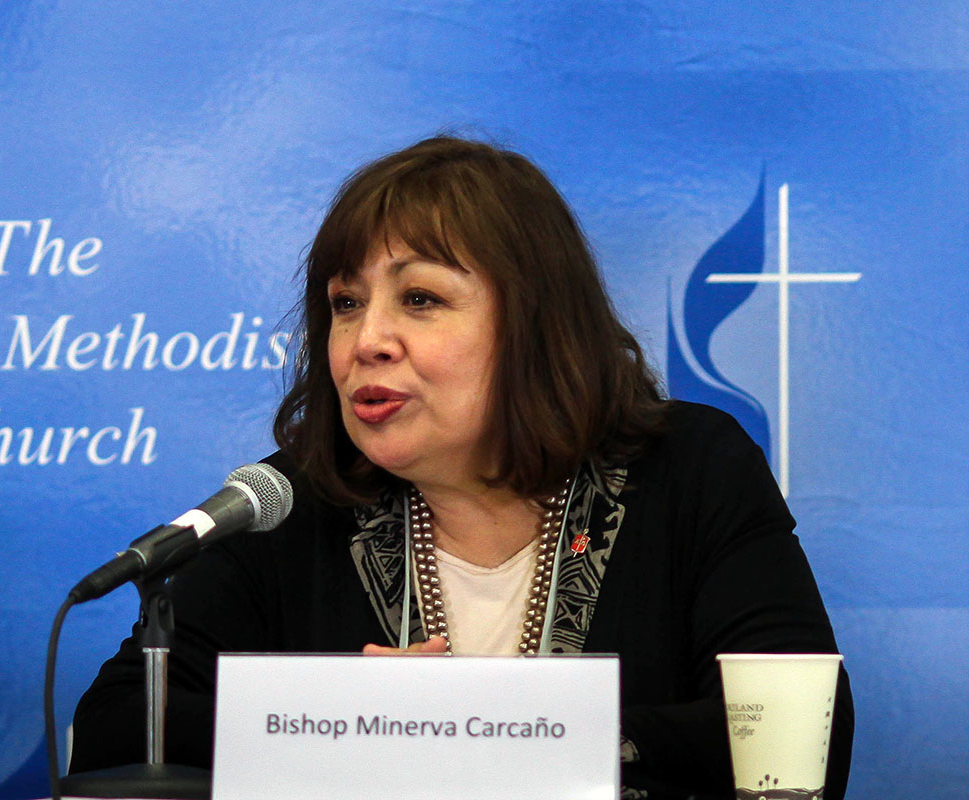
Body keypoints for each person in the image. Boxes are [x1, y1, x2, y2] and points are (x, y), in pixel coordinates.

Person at [69, 136, 853, 799]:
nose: (366, 341)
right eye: (345, 304)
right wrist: (341, 720)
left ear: (533, 325)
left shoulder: (689, 468)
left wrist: (486, 727)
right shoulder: (290, 503)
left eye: (420, 299)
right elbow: (115, 727)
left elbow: (802, 735)